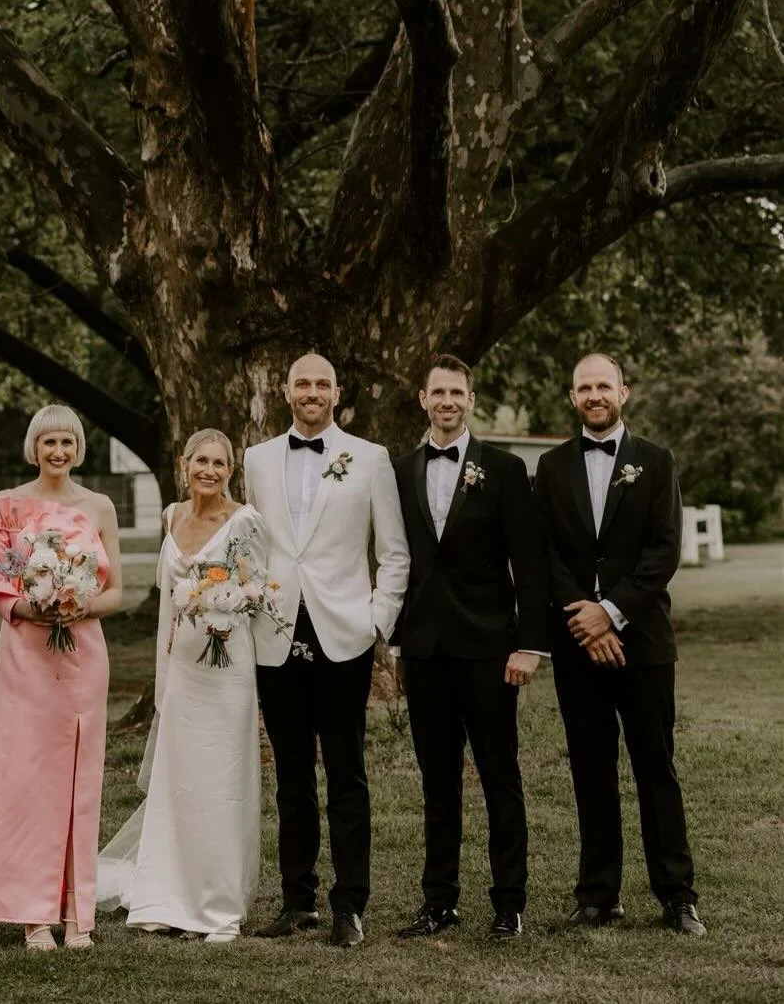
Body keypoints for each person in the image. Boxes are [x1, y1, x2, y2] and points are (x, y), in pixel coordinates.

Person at [533, 352, 705, 936]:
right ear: (572, 396)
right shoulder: (551, 466)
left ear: (623, 392)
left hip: (644, 643)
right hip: (577, 643)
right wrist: (584, 617)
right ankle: (598, 894)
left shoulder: (656, 460)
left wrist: (610, 612)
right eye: (584, 387)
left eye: (603, 386)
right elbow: (544, 552)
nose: (594, 395)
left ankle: (677, 895)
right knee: (590, 768)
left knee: (656, 766)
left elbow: (665, 549)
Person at [243, 352, 409, 947]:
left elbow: (394, 552)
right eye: (302, 383)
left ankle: (349, 904)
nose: (311, 391)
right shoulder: (257, 459)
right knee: (290, 774)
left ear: (337, 394)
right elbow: (251, 543)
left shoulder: (370, 458)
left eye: (322, 384)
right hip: (275, 633)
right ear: (285, 391)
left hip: (344, 633)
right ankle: (297, 900)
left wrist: (375, 621)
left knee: (346, 772)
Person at [391, 354, 547, 941]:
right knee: (437, 782)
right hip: (425, 651)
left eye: (457, 393)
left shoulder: (504, 469)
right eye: (438, 392)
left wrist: (530, 645)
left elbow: (529, 563)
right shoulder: (399, 471)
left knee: (499, 775)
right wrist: (398, 643)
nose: (447, 401)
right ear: (423, 399)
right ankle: (439, 902)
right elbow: (397, 560)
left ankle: (509, 903)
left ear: (471, 400)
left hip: (489, 649)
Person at [0, 404, 123, 951]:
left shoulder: (99, 506)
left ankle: (78, 914)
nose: (58, 451)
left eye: (67, 442)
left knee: (80, 779)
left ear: (78, 449)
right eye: (49, 442)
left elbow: (117, 590)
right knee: (29, 779)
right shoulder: (6, 505)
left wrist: (78, 604)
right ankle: (33, 915)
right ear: (34, 448)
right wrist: (33, 607)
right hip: (27, 654)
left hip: (83, 655)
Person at [97, 429, 266, 941]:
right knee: (180, 782)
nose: (209, 471)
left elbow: (258, 590)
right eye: (201, 461)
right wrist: (164, 673)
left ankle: (217, 905)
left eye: (219, 463)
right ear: (183, 464)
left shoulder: (245, 521)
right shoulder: (171, 516)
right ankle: (166, 895)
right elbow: (167, 605)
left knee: (221, 783)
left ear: (230, 471)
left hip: (228, 671)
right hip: (185, 671)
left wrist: (228, 603)